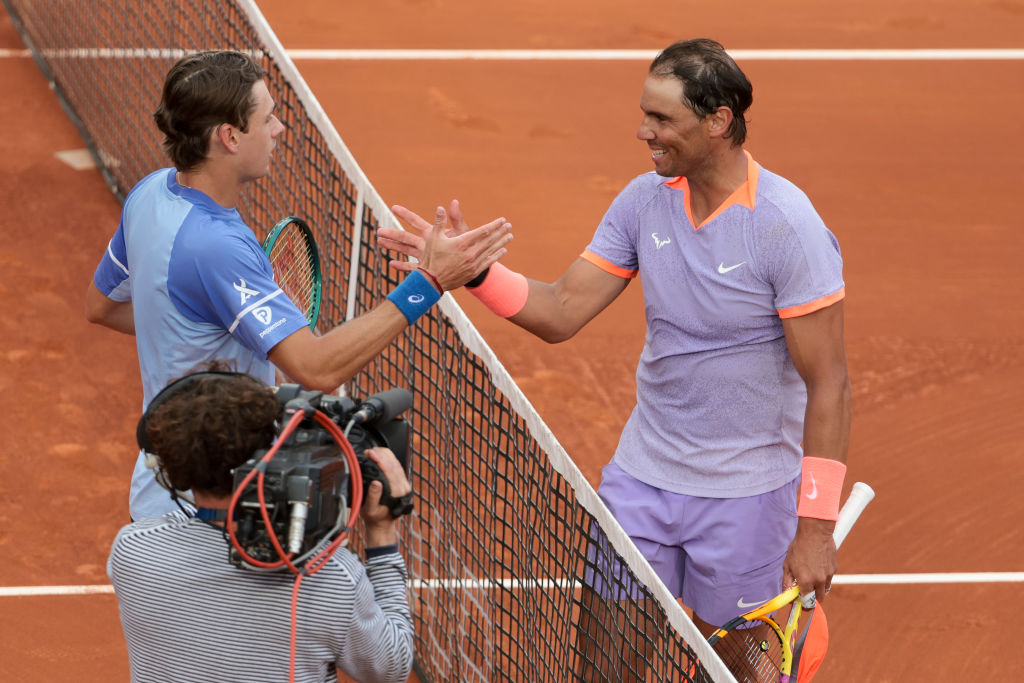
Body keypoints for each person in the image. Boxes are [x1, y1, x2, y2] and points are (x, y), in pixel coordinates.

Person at [379, 38, 852, 676]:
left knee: (745, 670)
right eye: (644, 114)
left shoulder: (785, 226)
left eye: (661, 119)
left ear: (717, 121)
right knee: (604, 669)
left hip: (749, 495)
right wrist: (473, 273)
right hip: (643, 480)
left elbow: (829, 383)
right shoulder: (643, 201)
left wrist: (816, 528)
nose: (643, 131)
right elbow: (561, 309)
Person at [84, 50, 513, 520]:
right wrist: (428, 283)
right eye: (267, 119)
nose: (279, 129)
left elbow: (102, 307)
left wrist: (207, 335)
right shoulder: (217, 246)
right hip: (212, 511)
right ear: (229, 136)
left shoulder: (150, 193)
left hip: (158, 489)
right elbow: (317, 369)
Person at [108, 368, 414, 683]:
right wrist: (381, 534)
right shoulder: (330, 574)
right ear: (270, 455)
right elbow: (390, 669)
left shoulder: (133, 549)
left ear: (171, 469)